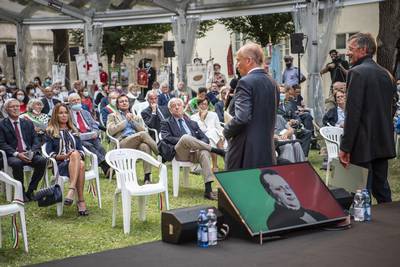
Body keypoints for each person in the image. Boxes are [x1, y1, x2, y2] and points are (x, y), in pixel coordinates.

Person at [339, 33, 397, 203]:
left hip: (362, 143)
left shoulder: (356, 72)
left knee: (357, 192)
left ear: (363, 50)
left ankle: (362, 228)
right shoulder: (387, 74)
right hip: (383, 140)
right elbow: (391, 108)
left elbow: (353, 113)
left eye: (351, 49)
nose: (347, 53)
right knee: (382, 189)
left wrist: (345, 147)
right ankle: (390, 227)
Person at [224, 43, 278, 170]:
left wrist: (226, 130)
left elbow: (242, 118)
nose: (236, 65)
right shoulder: (272, 82)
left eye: (238, 60)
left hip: (245, 150)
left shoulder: (245, 82)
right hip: (267, 149)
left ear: (248, 61)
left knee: (240, 188)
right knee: (262, 187)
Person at [159, 98, 225, 200]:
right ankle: (215, 150)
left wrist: (195, 144)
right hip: (180, 152)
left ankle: (208, 190)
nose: (177, 107)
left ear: (182, 107)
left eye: (179, 105)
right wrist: (188, 141)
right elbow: (166, 138)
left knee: (204, 152)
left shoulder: (192, 123)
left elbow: (205, 138)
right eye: (173, 106)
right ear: (170, 110)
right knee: (185, 137)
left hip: (195, 152)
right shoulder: (166, 122)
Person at [45, 103, 89, 215]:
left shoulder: (74, 130)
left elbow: (81, 150)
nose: (64, 115)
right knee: (80, 163)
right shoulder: (50, 131)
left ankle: (71, 190)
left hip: (76, 162)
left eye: (66, 113)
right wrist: (64, 156)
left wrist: (74, 155)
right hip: (60, 165)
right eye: (60, 113)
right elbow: (49, 153)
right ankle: (80, 200)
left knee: (76, 156)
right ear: (55, 115)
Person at [0, 99, 47, 202]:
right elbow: (2, 143)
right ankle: (21, 191)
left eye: (17, 106)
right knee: (17, 163)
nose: (16, 108)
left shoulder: (27, 123)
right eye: (13, 106)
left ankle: (30, 191)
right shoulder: (2, 124)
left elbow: (36, 140)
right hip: (12, 155)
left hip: (29, 152)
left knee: (42, 161)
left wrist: (33, 152)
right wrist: (17, 154)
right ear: (6, 109)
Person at [107, 94, 158, 183]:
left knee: (145, 146)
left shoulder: (135, 117)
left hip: (136, 142)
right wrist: (126, 121)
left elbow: (143, 130)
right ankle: (160, 153)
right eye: (121, 101)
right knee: (142, 134)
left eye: (126, 101)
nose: (124, 103)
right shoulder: (112, 116)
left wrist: (132, 121)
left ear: (129, 104)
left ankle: (147, 177)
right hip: (122, 142)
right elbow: (111, 130)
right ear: (118, 105)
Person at [260, 169, 327, 230]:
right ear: (269, 193)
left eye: (287, 187)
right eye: (279, 189)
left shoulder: (313, 213)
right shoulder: (275, 221)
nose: (288, 192)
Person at [68, 93, 110, 176]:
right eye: (73, 101)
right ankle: (107, 167)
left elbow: (94, 124)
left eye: (78, 100)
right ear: (69, 103)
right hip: (79, 138)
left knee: (100, 147)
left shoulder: (86, 112)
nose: (76, 102)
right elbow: (69, 131)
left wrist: (95, 132)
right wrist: (77, 134)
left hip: (91, 135)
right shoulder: (68, 115)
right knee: (89, 146)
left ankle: (108, 167)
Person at [191, 98, 226, 171]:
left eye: (205, 104)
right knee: (212, 133)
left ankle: (215, 166)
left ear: (208, 106)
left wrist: (222, 136)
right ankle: (223, 157)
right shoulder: (193, 117)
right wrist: (202, 119)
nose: (203, 106)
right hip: (202, 139)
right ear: (198, 106)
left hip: (215, 138)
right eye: (201, 104)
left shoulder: (214, 115)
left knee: (212, 133)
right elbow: (201, 131)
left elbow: (219, 128)